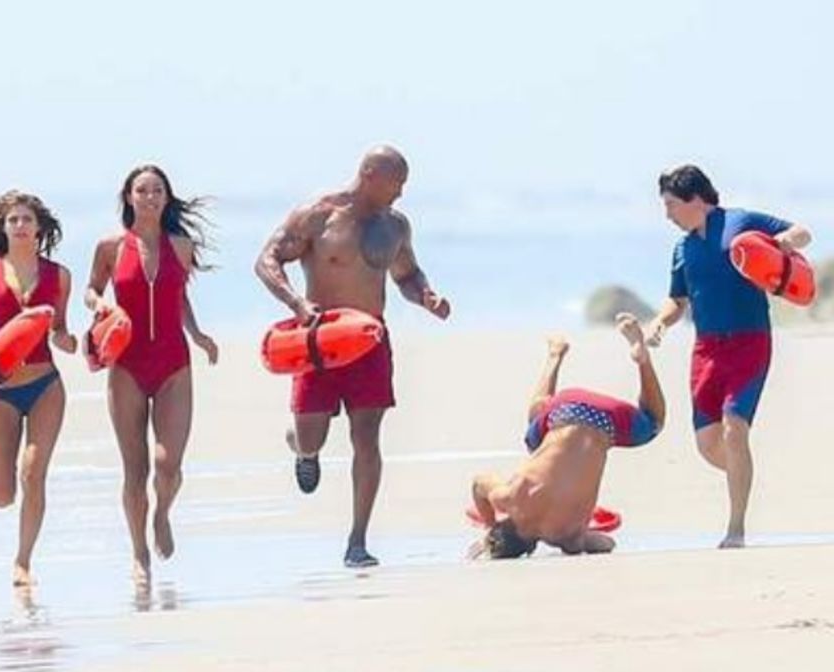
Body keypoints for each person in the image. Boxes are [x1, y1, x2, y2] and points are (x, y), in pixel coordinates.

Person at [254, 145, 451, 568]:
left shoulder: (395, 226)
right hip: (319, 339)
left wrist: (426, 296)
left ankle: (357, 541)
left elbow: (407, 274)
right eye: (396, 184)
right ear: (370, 175)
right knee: (312, 436)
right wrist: (296, 303)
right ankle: (302, 449)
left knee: (367, 436)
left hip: (369, 341)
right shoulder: (317, 216)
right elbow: (266, 260)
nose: (400, 193)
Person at [646, 165, 812, 548]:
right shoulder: (683, 248)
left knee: (735, 428)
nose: (667, 214)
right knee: (708, 445)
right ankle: (743, 472)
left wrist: (784, 242)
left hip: (750, 342)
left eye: (670, 205)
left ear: (694, 199)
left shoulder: (741, 222)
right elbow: (678, 300)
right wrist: (660, 323)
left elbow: (803, 232)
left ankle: (735, 529)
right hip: (706, 350)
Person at [85, 165, 218, 586]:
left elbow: (180, 297)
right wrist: (100, 306)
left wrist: (198, 334)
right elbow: (92, 289)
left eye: (157, 190)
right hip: (127, 364)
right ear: (129, 197)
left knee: (167, 464)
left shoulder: (181, 245)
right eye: (142, 190)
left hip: (173, 362)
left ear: (166, 197)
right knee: (135, 469)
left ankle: (162, 513)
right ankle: (139, 554)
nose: (150, 197)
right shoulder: (110, 246)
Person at [469, 314, 665, 559]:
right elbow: (478, 483)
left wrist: (580, 535)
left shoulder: (567, 536)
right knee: (535, 432)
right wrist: (488, 525)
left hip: (605, 421)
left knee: (653, 423)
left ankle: (643, 362)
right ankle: (556, 354)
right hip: (563, 407)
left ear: (529, 548)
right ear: (504, 523)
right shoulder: (507, 497)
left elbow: (607, 543)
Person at [0, 190, 77, 585]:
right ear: (4, 228)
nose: (20, 225)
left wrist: (67, 340)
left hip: (45, 384)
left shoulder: (59, 276)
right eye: (13, 220)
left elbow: (58, 328)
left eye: (27, 219)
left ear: (39, 227)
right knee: (2, 494)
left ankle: (23, 562)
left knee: (33, 474)